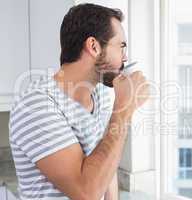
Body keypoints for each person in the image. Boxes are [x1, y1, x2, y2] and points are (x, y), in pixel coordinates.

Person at [9, 3, 149, 200]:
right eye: (121, 46)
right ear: (93, 46)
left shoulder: (99, 95)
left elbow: (105, 166)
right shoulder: (35, 105)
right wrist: (124, 109)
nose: (125, 57)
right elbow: (87, 193)